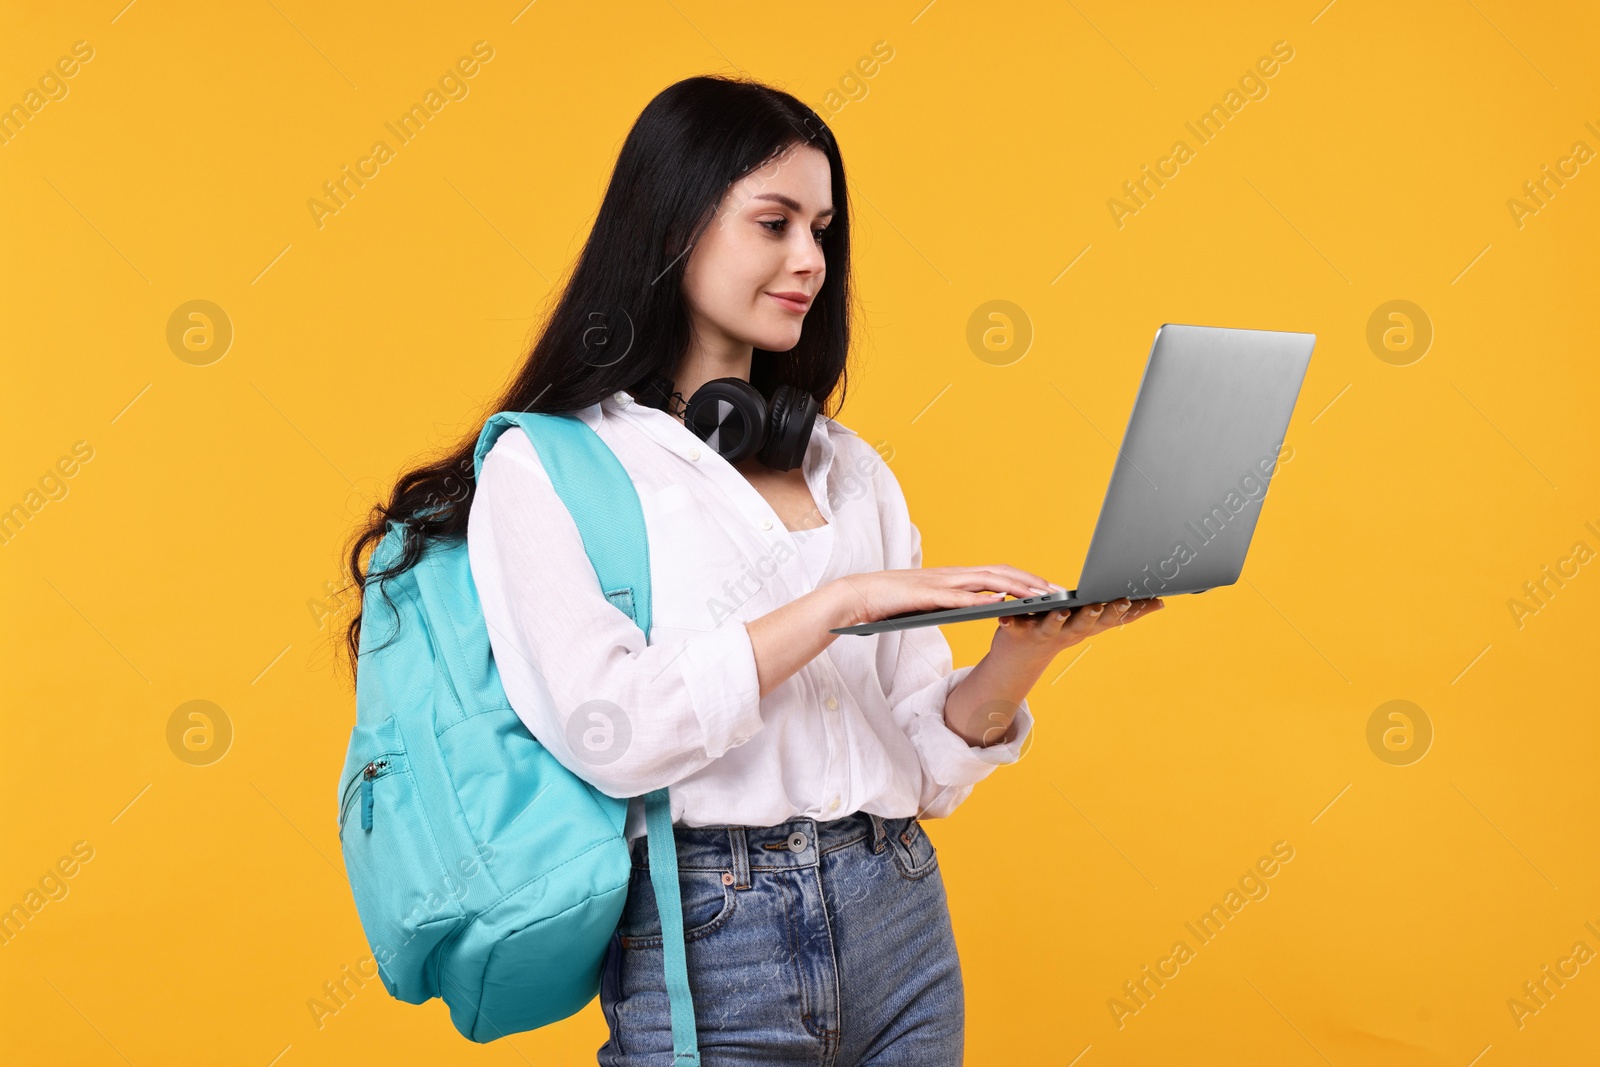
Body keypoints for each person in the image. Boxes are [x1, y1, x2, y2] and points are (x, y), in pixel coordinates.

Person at [343, 74, 1161, 1066]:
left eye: (822, 228)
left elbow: (922, 764)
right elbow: (619, 731)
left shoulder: (845, 464)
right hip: (710, 931)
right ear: (674, 223)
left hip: (896, 908)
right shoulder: (552, 467)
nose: (809, 260)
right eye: (773, 223)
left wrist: (1025, 657)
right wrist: (837, 604)